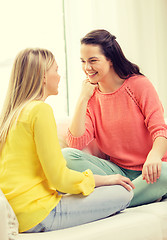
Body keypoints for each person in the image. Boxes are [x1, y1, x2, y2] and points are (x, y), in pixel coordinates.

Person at [0, 48, 134, 233]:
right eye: (55, 70)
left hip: (16, 212)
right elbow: (59, 178)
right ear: (43, 76)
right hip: (39, 214)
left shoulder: (11, 116)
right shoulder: (40, 110)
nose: (59, 76)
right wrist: (106, 179)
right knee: (124, 193)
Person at [63, 29, 167, 207]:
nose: (87, 68)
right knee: (66, 156)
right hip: (116, 173)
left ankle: (111, 201)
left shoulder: (138, 85)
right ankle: (128, 197)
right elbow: (75, 144)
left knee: (165, 173)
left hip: (151, 169)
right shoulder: (91, 97)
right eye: (83, 61)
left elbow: (160, 130)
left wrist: (154, 155)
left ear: (110, 59)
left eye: (93, 60)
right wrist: (82, 98)